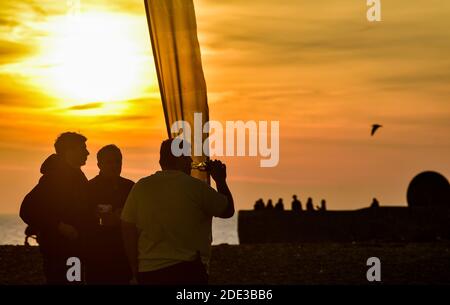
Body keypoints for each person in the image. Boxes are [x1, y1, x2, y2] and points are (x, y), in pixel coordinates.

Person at [121, 139, 234, 285]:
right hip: (187, 270)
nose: (191, 160)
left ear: (162, 161)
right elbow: (227, 210)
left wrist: (135, 269)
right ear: (180, 158)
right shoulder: (196, 188)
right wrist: (220, 180)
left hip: (149, 272)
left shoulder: (141, 187)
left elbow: (127, 226)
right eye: (187, 156)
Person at [19, 132, 92, 284]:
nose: (87, 152)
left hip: (74, 250)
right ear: (69, 151)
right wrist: (59, 226)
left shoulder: (77, 176)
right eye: (82, 148)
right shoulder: (54, 178)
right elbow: (27, 210)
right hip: (59, 252)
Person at [86, 145, 134, 284]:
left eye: (118, 161)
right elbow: (82, 219)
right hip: (99, 258)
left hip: (124, 257)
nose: (115, 166)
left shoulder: (130, 187)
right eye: (109, 162)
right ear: (99, 165)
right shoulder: (89, 188)